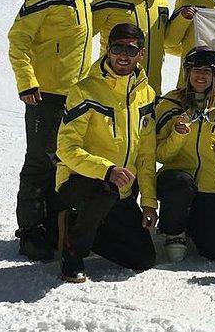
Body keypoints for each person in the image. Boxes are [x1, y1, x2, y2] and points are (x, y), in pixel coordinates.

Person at [8, 0, 105, 261]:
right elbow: (18, 39)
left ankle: (51, 226)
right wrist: (27, 82)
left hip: (73, 95)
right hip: (44, 93)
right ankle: (30, 233)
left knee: (61, 161)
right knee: (39, 162)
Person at [55, 23, 158, 282]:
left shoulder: (146, 94)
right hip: (81, 182)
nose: (123, 55)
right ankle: (74, 250)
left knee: (143, 258)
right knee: (103, 191)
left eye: (131, 49)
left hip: (120, 191)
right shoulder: (85, 90)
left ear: (141, 54)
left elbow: (146, 155)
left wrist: (148, 202)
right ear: (108, 50)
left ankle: (82, 228)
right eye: (117, 48)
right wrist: (106, 170)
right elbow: (66, 148)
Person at [155, 47, 215, 262]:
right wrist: (178, 134)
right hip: (176, 179)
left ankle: (193, 221)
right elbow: (160, 155)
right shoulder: (169, 104)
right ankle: (174, 230)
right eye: (196, 70)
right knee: (180, 183)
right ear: (187, 73)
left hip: (207, 184)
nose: (201, 76)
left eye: (207, 72)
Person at [92, 0, 169, 95]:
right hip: (113, 86)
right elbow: (84, 35)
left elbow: (169, 43)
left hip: (150, 88)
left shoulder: (161, 3)